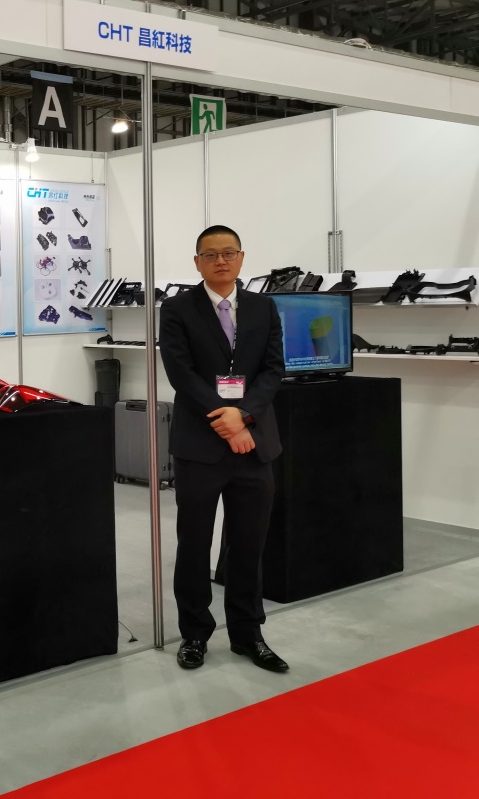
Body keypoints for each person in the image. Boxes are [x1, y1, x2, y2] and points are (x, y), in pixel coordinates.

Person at [159, 225, 288, 673]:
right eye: (210, 255)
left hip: (254, 444)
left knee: (249, 545)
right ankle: (194, 634)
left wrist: (244, 415)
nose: (221, 261)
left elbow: (273, 370)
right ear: (197, 262)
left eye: (228, 253)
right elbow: (180, 373)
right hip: (200, 446)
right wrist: (227, 420)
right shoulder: (177, 308)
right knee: (194, 544)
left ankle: (248, 633)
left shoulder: (263, 307)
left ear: (241, 258)